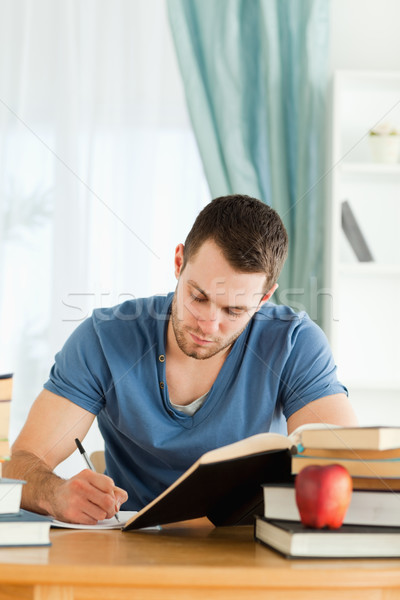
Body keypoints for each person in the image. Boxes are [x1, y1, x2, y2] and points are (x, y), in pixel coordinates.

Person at [4, 194, 357, 524]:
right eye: (198, 297)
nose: (209, 323)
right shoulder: (105, 339)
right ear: (179, 262)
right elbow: (19, 465)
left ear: (264, 299)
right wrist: (55, 493)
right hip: (135, 551)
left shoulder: (294, 343)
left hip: (251, 550)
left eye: (234, 310)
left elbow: (341, 464)